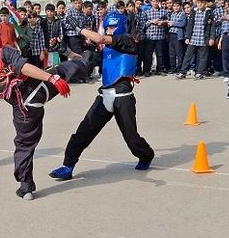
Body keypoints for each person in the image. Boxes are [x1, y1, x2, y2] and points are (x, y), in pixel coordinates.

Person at [0, 22, 73, 200]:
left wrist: (2, 82)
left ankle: (26, 188)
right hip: (40, 90)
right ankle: (90, 58)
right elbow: (25, 68)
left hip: (23, 110)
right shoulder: (5, 52)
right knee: (65, 69)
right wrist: (52, 78)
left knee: (24, 146)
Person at [49, 13, 155, 181]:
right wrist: (64, 50)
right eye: (106, 27)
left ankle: (146, 155)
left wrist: (79, 29)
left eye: (111, 27)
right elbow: (83, 60)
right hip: (104, 95)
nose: (108, 30)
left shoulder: (127, 40)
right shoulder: (105, 49)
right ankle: (67, 166)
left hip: (123, 96)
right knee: (83, 132)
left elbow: (100, 39)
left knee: (131, 138)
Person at [176, 0, 215, 80]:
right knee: (188, 55)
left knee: (203, 57)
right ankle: (183, 72)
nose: (200, 4)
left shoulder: (209, 13)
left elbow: (212, 26)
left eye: (202, 3)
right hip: (193, 38)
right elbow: (190, 25)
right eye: (198, 3)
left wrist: (212, 38)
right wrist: (187, 37)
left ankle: (199, 72)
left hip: (203, 38)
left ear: (205, 3)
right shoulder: (194, 12)